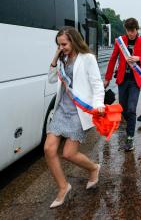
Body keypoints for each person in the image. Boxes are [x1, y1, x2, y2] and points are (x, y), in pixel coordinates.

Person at [45, 26, 105, 208]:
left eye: (64, 44)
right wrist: (56, 56)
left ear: (74, 40)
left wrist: (99, 104)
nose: (61, 47)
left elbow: (96, 83)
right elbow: (51, 79)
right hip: (62, 109)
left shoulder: (87, 59)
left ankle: (93, 168)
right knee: (49, 149)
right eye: (58, 45)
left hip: (79, 112)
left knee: (68, 153)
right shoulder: (62, 59)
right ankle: (63, 187)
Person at [104, 18, 141, 151]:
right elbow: (113, 59)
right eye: (128, 31)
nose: (130, 33)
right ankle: (129, 127)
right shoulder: (120, 41)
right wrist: (107, 78)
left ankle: (130, 138)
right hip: (122, 80)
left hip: (135, 81)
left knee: (131, 109)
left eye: (133, 31)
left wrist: (138, 59)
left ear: (137, 30)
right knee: (124, 109)